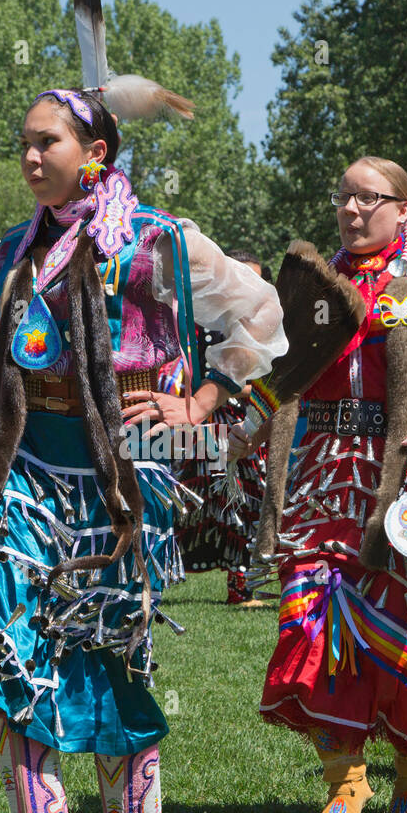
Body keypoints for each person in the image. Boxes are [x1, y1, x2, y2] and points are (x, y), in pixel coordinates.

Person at [0, 73, 284, 813]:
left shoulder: (156, 242)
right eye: (23, 142)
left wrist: (201, 402)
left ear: (95, 155)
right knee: (0, 620)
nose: (28, 156)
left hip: (125, 470)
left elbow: (263, 319)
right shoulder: (9, 252)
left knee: (106, 654)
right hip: (25, 459)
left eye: (45, 143)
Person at [235, 156, 407, 813]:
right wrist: (249, 425)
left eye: (368, 199)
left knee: (404, 625)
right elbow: (281, 369)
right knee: (312, 615)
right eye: (343, 199)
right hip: (323, 473)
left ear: (404, 209)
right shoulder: (313, 284)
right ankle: (346, 782)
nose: (351, 210)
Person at [173, 251, 272, 606]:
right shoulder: (199, 319)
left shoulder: (264, 325)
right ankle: (158, 570)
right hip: (204, 420)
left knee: (245, 500)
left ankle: (240, 587)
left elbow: (267, 381)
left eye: (256, 280)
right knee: (186, 500)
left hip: (248, 423)